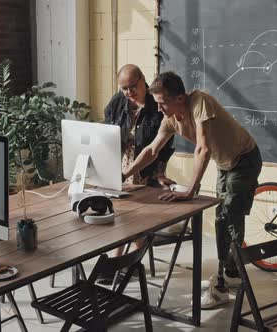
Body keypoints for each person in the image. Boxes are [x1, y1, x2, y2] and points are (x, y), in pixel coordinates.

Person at [122, 71, 262, 309]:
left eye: (162, 103)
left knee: (228, 217)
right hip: (225, 163)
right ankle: (231, 274)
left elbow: (203, 149)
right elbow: (151, 150)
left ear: (180, 98)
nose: (159, 109)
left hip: (245, 159)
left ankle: (223, 284)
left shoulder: (200, 102)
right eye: (156, 104)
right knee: (223, 218)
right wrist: (123, 175)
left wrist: (190, 190)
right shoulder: (170, 118)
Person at [97, 64, 175, 284]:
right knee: (119, 214)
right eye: (124, 88)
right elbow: (106, 131)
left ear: (143, 80)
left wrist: (160, 173)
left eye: (133, 86)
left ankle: (126, 264)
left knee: (138, 220)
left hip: (145, 167)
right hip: (120, 163)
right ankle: (118, 263)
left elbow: (164, 147)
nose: (129, 93)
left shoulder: (157, 106)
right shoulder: (117, 102)